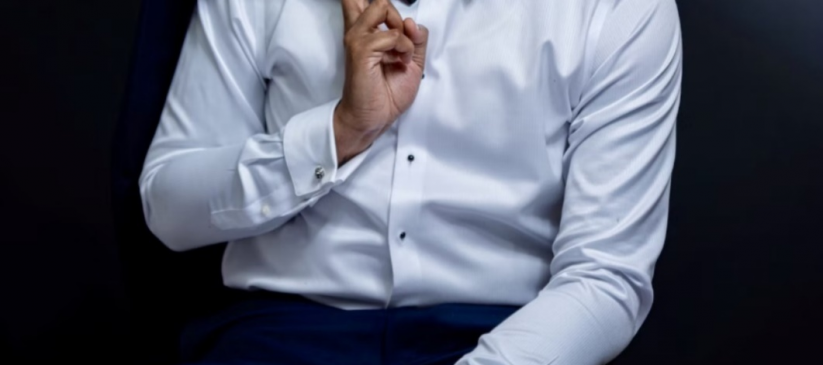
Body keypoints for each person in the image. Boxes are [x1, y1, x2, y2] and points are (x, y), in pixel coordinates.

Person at [139, 0, 682, 364]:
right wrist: (340, 131)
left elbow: (606, 277)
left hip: (510, 339)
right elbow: (169, 207)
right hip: (281, 336)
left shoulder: (619, 8)